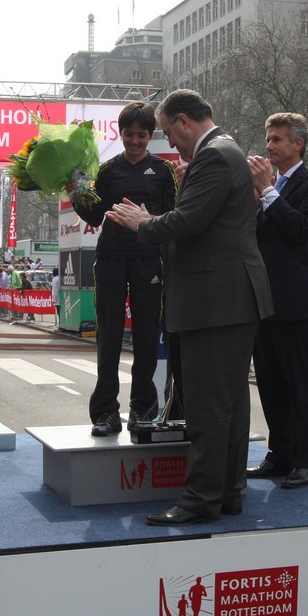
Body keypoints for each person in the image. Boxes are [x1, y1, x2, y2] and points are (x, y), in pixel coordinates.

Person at [107, 88, 272, 526]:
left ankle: (200, 499)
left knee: (207, 406)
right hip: (229, 298)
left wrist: (143, 222)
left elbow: (188, 221)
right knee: (229, 404)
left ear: (183, 120)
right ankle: (227, 492)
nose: (171, 143)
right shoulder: (224, 151)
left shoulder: (214, 155)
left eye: (168, 132)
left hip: (216, 300)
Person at [70, 101, 176, 436]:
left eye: (142, 135)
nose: (135, 141)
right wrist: (76, 194)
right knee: (109, 336)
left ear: (150, 134)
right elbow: (94, 215)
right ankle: (106, 413)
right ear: (120, 133)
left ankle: (143, 410)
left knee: (146, 336)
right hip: (111, 258)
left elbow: (173, 218)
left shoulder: (163, 170)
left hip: (149, 259)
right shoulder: (107, 170)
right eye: (129, 134)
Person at [245, 112, 308, 489]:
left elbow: (302, 230)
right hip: (261, 300)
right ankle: (279, 453)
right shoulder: (265, 186)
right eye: (268, 138)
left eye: (277, 139)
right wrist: (255, 197)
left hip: (294, 301)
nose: (269, 146)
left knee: (301, 386)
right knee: (270, 383)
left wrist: (268, 192)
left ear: (298, 144)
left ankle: (305, 461)